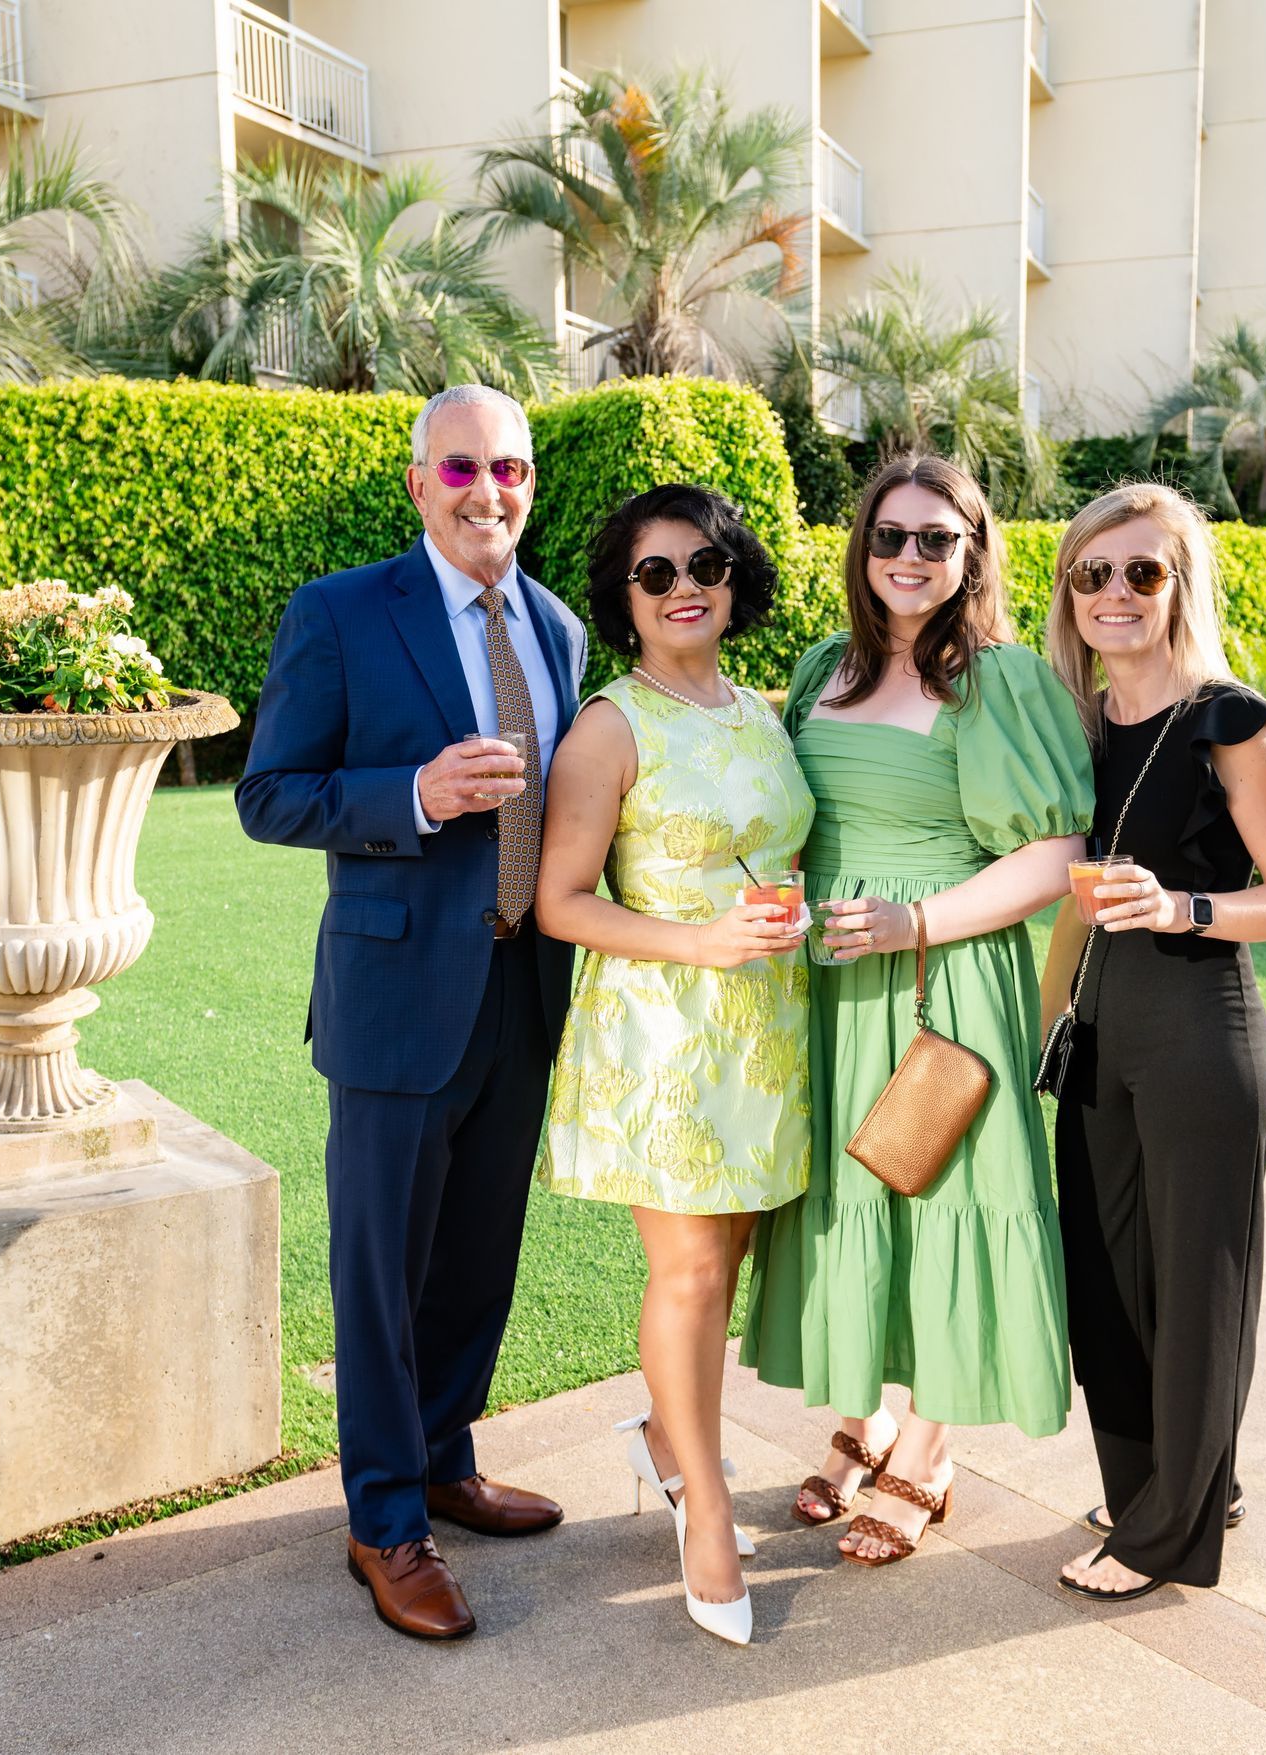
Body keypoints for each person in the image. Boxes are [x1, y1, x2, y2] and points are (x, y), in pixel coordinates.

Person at [235, 384, 587, 1641]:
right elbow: (270, 794)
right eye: (462, 469)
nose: (489, 491)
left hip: (523, 986)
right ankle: (384, 1521)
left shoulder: (558, 628)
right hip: (395, 1000)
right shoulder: (340, 613)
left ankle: (444, 1458)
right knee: (382, 1269)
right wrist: (418, 794)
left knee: (480, 1254)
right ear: (419, 482)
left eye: (511, 469)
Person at [741, 454, 1094, 1567]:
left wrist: (916, 922)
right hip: (832, 982)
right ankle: (865, 1419)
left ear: (972, 554)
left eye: (936, 539)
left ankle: (929, 1454)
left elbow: (1058, 855)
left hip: (946, 975)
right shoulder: (822, 665)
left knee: (945, 1193)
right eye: (889, 536)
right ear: (862, 548)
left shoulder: (1003, 680)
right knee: (854, 1188)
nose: (909, 557)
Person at [534, 483, 814, 1647]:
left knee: (730, 1255)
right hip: (662, 1028)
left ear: (735, 579)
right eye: (655, 573)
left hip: (767, 1027)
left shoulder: (763, 710)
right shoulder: (611, 726)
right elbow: (560, 901)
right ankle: (705, 1505)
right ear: (625, 597)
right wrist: (700, 941)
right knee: (691, 1272)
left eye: (705, 564)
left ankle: (662, 1437)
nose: (683, 588)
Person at [1039, 481, 1266, 1603]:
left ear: (1180, 586)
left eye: (1143, 571)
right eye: (1094, 571)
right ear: (1071, 588)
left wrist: (1183, 906)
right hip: (1102, 1037)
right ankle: (1159, 1486)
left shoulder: (1230, 722)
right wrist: (1047, 1022)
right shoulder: (1076, 724)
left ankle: (1166, 1535)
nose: (1115, 592)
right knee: (1108, 1280)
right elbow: (1065, 894)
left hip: (1203, 1035)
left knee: (1197, 1287)